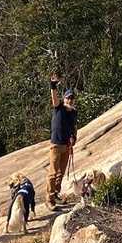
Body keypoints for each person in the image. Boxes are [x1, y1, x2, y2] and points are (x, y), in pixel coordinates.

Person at [47, 72, 78, 209]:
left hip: (66, 146)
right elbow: (54, 99)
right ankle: (49, 199)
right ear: (64, 99)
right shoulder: (59, 108)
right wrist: (53, 86)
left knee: (61, 173)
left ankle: (56, 194)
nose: (70, 100)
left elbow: (74, 127)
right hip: (56, 145)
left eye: (72, 98)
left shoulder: (74, 112)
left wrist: (74, 138)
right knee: (53, 173)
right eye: (68, 98)